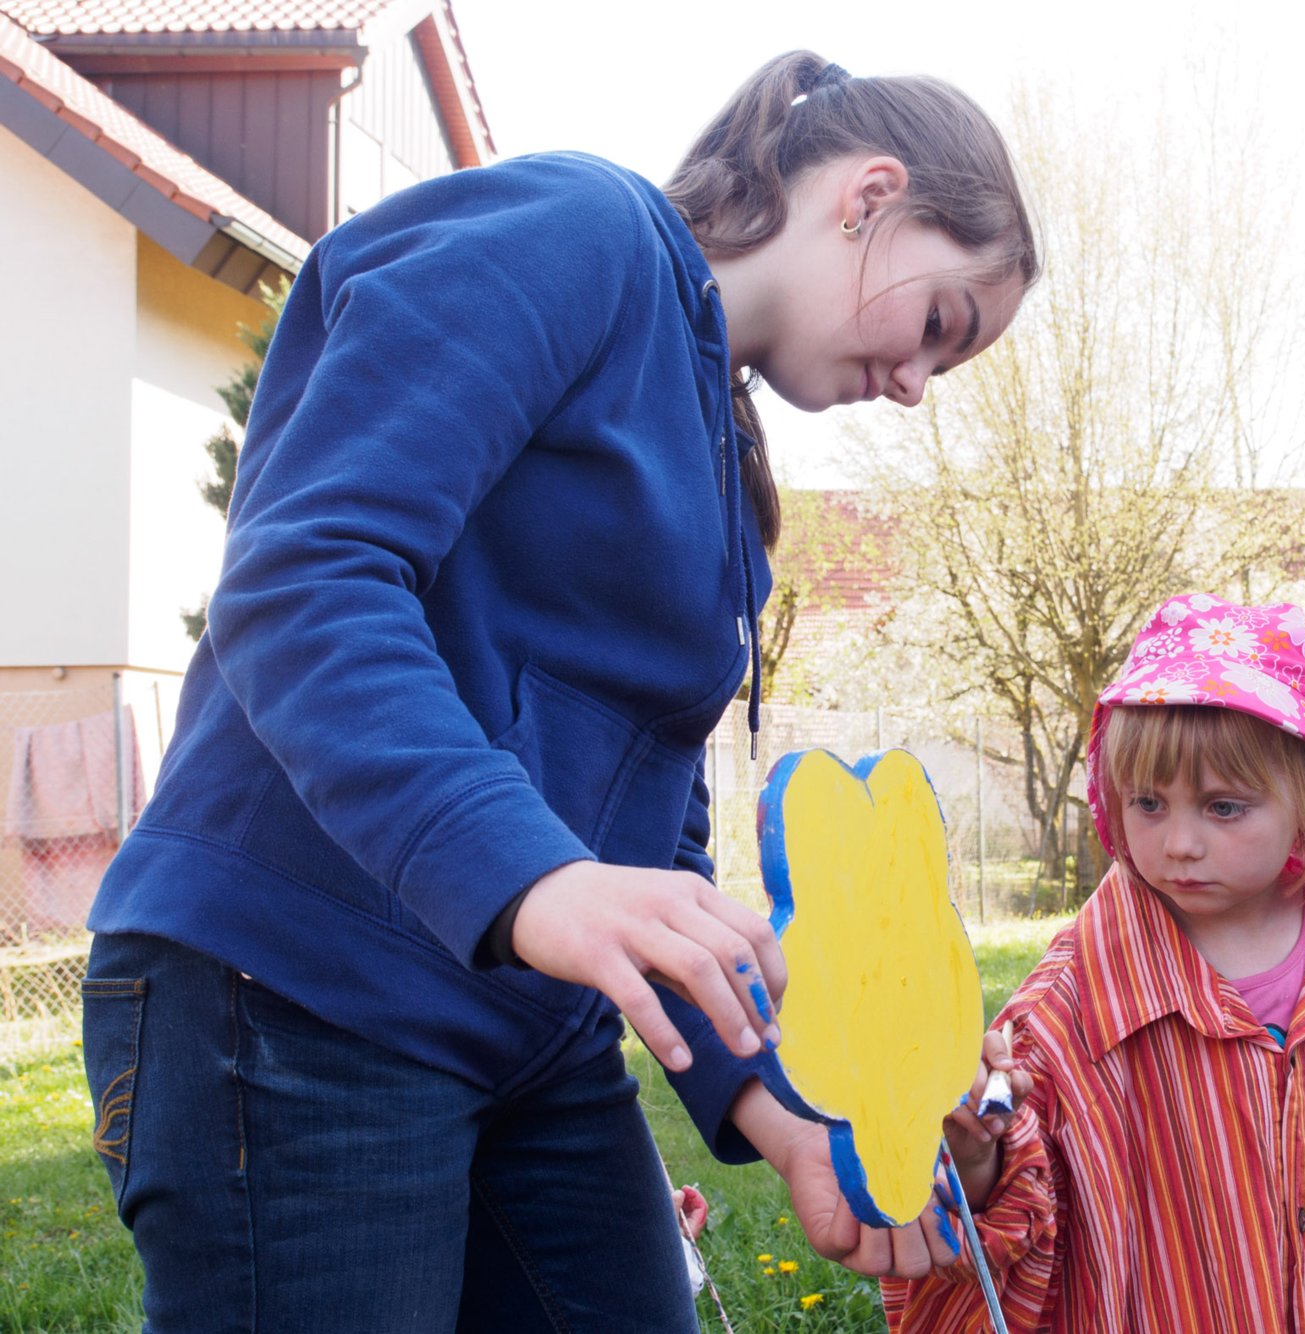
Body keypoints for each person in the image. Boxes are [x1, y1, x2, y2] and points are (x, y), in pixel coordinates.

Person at [78, 51, 1036, 1331]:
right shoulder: (580, 232)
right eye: (938, 324)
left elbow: (648, 833)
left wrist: (777, 1106)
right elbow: (306, 574)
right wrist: (534, 879)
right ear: (869, 194)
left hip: (529, 1033)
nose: (917, 386)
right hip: (294, 983)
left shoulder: (727, 477)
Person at [889, 595, 1305, 1332]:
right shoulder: (1066, 1008)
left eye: (1223, 807)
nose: (1179, 844)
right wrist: (977, 1166)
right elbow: (1013, 1182)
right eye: (1148, 803)